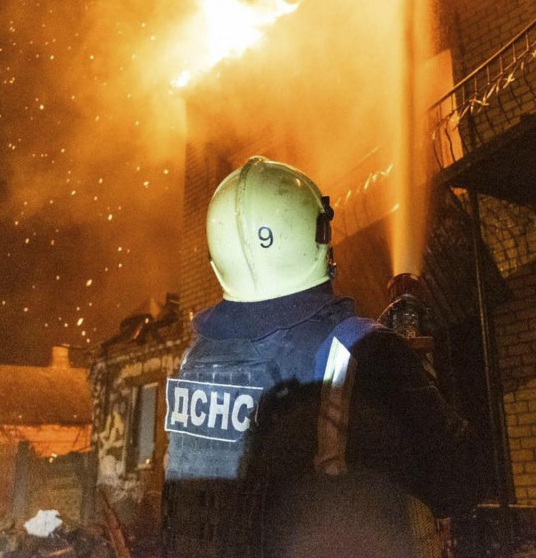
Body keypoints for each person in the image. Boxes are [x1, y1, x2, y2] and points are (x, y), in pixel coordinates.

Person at [163, 156, 477, 558]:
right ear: (313, 235)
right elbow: (459, 482)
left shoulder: (197, 361)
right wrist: (411, 368)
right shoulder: (362, 351)